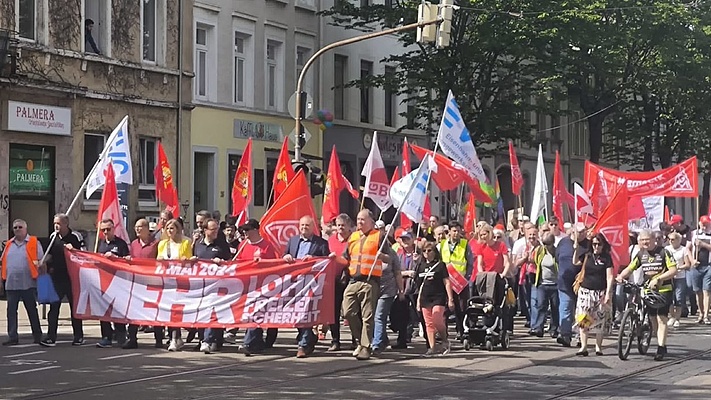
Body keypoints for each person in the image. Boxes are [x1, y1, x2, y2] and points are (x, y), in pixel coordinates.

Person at [617, 229, 677, 361]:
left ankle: (661, 347)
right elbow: (630, 267)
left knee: (661, 318)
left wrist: (659, 278)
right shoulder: (640, 254)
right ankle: (659, 339)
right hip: (647, 290)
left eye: (647, 239)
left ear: (653, 239)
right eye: (642, 240)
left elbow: (673, 270)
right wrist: (621, 276)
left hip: (663, 290)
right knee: (652, 319)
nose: (645, 242)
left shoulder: (663, 252)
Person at [339, 209, 390, 360]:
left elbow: (389, 259)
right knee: (348, 312)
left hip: (370, 281)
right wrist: (333, 259)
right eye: (358, 219)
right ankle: (362, 342)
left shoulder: (378, 236)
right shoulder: (353, 237)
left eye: (363, 219)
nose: (359, 222)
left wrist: (382, 256)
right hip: (354, 280)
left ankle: (366, 348)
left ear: (371, 221)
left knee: (368, 316)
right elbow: (346, 258)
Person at [283, 216, 330, 358]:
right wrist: (286, 257)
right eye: (302, 225)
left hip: (312, 285)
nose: (304, 227)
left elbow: (327, 261)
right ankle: (308, 337)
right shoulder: (293, 241)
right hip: (295, 283)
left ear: (313, 227)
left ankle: (302, 345)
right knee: (297, 314)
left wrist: (314, 260)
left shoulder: (321, 243)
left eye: (307, 225)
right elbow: (285, 255)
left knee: (305, 313)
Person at [41, 213, 86, 347]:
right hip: (57, 278)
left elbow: (84, 254)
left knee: (74, 308)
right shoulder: (53, 237)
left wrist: (74, 250)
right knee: (54, 308)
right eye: (55, 223)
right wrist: (43, 262)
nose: (56, 226)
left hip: (72, 278)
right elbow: (49, 254)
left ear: (66, 224)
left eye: (59, 224)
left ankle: (78, 336)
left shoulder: (75, 237)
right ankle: (51, 336)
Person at [236, 219, 279, 355]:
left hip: (262, 287)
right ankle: (256, 341)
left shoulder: (267, 246)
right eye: (244, 230)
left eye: (248, 230)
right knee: (251, 314)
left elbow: (274, 266)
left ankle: (249, 342)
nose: (245, 232)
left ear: (255, 230)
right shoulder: (242, 245)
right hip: (247, 286)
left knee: (255, 314)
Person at [2, 219, 44, 346]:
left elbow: (41, 261)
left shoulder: (33, 242)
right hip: (11, 283)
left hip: (28, 283)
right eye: (15, 227)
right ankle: (12, 336)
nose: (17, 229)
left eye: (20, 227)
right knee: (11, 311)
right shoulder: (9, 244)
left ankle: (37, 335)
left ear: (26, 229)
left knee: (31, 309)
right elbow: (3, 261)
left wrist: (42, 278)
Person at [192, 218, 232, 354]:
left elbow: (230, 262)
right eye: (213, 229)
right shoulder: (198, 244)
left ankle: (208, 340)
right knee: (202, 313)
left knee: (213, 313)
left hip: (218, 286)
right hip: (201, 285)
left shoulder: (222, 244)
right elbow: (194, 258)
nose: (216, 232)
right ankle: (206, 339)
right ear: (205, 231)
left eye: (217, 229)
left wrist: (222, 262)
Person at [572, 232, 613, 356]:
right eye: (594, 244)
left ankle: (598, 346)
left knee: (600, 320)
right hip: (585, 291)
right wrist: (576, 248)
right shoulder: (587, 256)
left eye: (599, 244)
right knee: (584, 319)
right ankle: (584, 346)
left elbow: (610, 277)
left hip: (600, 292)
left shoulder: (606, 258)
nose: (596, 247)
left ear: (603, 245)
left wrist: (608, 294)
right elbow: (575, 262)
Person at [122, 218, 160, 349]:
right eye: (136, 227)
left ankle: (159, 339)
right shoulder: (134, 244)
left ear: (147, 228)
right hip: (137, 283)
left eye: (140, 227)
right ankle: (132, 338)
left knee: (155, 311)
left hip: (152, 282)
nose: (137, 229)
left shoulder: (156, 244)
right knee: (134, 311)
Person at [156, 218, 192, 351]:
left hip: (180, 281)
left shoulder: (186, 242)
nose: (170, 231)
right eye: (168, 228)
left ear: (177, 229)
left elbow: (188, 259)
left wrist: (184, 260)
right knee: (169, 310)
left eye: (172, 228)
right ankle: (174, 337)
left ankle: (175, 338)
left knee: (177, 310)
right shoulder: (162, 244)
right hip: (166, 281)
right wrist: (159, 260)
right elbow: (158, 259)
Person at [414, 241, 455, 357]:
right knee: (428, 324)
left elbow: (446, 282)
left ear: (434, 252)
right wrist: (418, 301)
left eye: (429, 250)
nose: (427, 253)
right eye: (424, 251)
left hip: (438, 296)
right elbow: (419, 285)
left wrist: (450, 298)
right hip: (425, 298)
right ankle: (432, 347)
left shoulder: (440, 265)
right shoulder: (420, 266)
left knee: (437, 319)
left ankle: (444, 339)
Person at [95, 219, 130, 348]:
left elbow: (128, 261)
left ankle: (121, 334)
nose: (105, 232)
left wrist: (116, 258)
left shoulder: (121, 244)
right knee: (103, 309)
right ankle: (106, 336)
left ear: (113, 229)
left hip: (118, 281)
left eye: (108, 229)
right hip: (103, 281)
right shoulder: (100, 243)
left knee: (117, 309)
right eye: (103, 230)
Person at [438, 221, 473, 341]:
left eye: (458, 231)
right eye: (454, 231)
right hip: (446, 281)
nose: (456, 233)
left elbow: (470, 263)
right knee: (445, 308)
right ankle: (443, 333)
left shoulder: (465, 244)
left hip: (460, 282)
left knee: (461, 308)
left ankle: (461, 331)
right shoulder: (442, 245)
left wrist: (466, 278)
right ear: (449, 232)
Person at [555, 223, 587, 347]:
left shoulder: (589, 245)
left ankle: (581, 336)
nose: (582, 233)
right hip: (564, 283)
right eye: (580, 231)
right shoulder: (563, 242)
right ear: (573, 231)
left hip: (582, 283)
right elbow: (557, 258)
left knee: (582, 310)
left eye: (584, 231)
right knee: (565, 309)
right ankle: (565, 335)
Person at [325, 213, 353, 351]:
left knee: (351, 310)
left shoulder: (354, 239)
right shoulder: (330, 240)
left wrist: (338, 259)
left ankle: (356, 339)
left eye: (343, 225)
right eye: (338, 225)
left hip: (350, 278)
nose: (340, 228)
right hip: (333, 279)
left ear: (349, 226)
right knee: (334, 311)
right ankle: (335, 340)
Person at [530, 232, 560, 338]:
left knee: (555, 307)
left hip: (555, 284)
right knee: (541, 305)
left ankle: (554, 329)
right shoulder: (540, 251)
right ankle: (539, 327)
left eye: (548, 244)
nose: (546, 246)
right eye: (544, 243)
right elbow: (534, 262)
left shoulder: (557, 252)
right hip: (542, 283)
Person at [665, 231, 692, 328]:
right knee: (669, 298)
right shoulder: (666, 249)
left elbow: (687, 264)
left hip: (680, 277)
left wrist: (679, 268)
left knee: (679, 298)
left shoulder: (683, 249)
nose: (671, 241)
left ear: (678, 240)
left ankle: (677, 318)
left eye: (673, 239)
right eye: (669, 239)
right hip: (669, 277)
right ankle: (671, 316)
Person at [691, 215, 711, 324]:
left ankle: (706, 315)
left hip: (708, 265)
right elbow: (688, 248)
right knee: (697, 291)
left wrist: (703, 244)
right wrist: (692, 260)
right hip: (696, 266)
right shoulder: (694, 233)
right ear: (699, 223)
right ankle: (701, 313)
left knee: (706, 291)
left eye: (707, 225)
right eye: (703, 224)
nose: (705, 227)